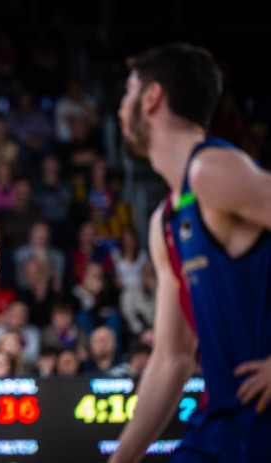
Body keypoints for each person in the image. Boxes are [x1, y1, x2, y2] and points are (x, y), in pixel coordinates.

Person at [111, 43, 271, 462]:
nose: (119, 108)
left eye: (127, 93)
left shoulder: (212, 171)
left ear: (152, 98)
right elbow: (170, 359)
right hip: (220, 425)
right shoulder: (164, 221)